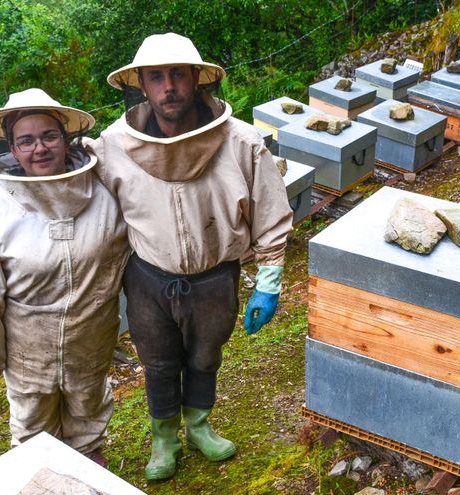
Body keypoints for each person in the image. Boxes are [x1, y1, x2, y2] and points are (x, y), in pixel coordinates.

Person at [86, 33, 292, 480]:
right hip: (147, 279)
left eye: (178, 74)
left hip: (215, 277)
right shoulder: (112, 145)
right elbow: (77, 182)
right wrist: (23, 182)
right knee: (158, 363)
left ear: (197, 79)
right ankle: (164, 439)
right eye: (156, 77)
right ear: (141, 85)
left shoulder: (241, 142)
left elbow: (271, 213)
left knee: (204, 358)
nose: (169, 87)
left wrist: (269, 283)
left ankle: (199, 425)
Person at [0, 88, 129, 466]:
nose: (39, 148)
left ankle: (90, 467)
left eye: (49, 136)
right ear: (12, 148)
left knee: (88, 416)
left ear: (66, 138)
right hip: (28, 351)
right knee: (34, 438)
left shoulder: (103, 192)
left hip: (92, 337)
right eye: (26, 140)